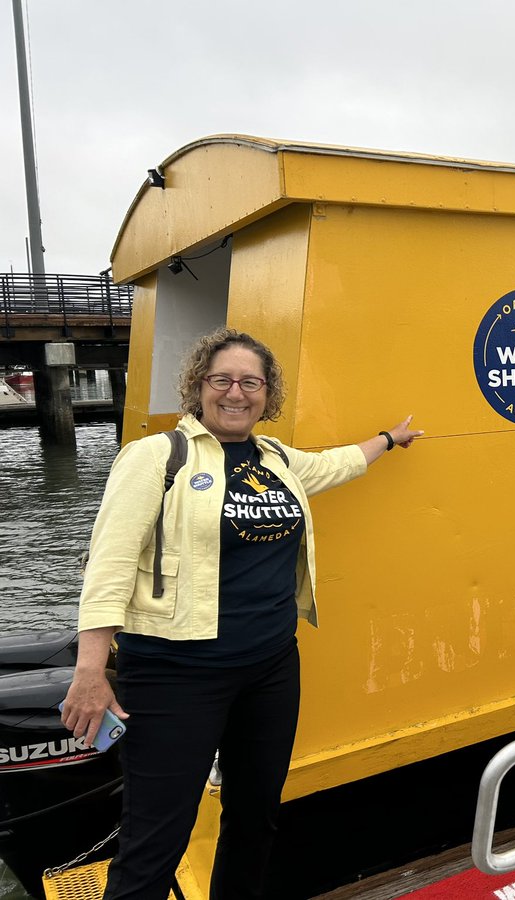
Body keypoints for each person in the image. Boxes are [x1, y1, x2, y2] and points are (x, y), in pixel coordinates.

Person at [60, 327, 422, 899]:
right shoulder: (155, 457)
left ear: (266, 393)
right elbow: (108, 567)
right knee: (156, 839)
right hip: (174, 674)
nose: (236, 392)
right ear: (199, 387)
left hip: (271, 666)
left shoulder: (276, 459)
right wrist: (90, 671)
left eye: (250, 382)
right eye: (222, 379)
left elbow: (333, 465)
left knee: (254, 819)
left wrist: (386, 439)